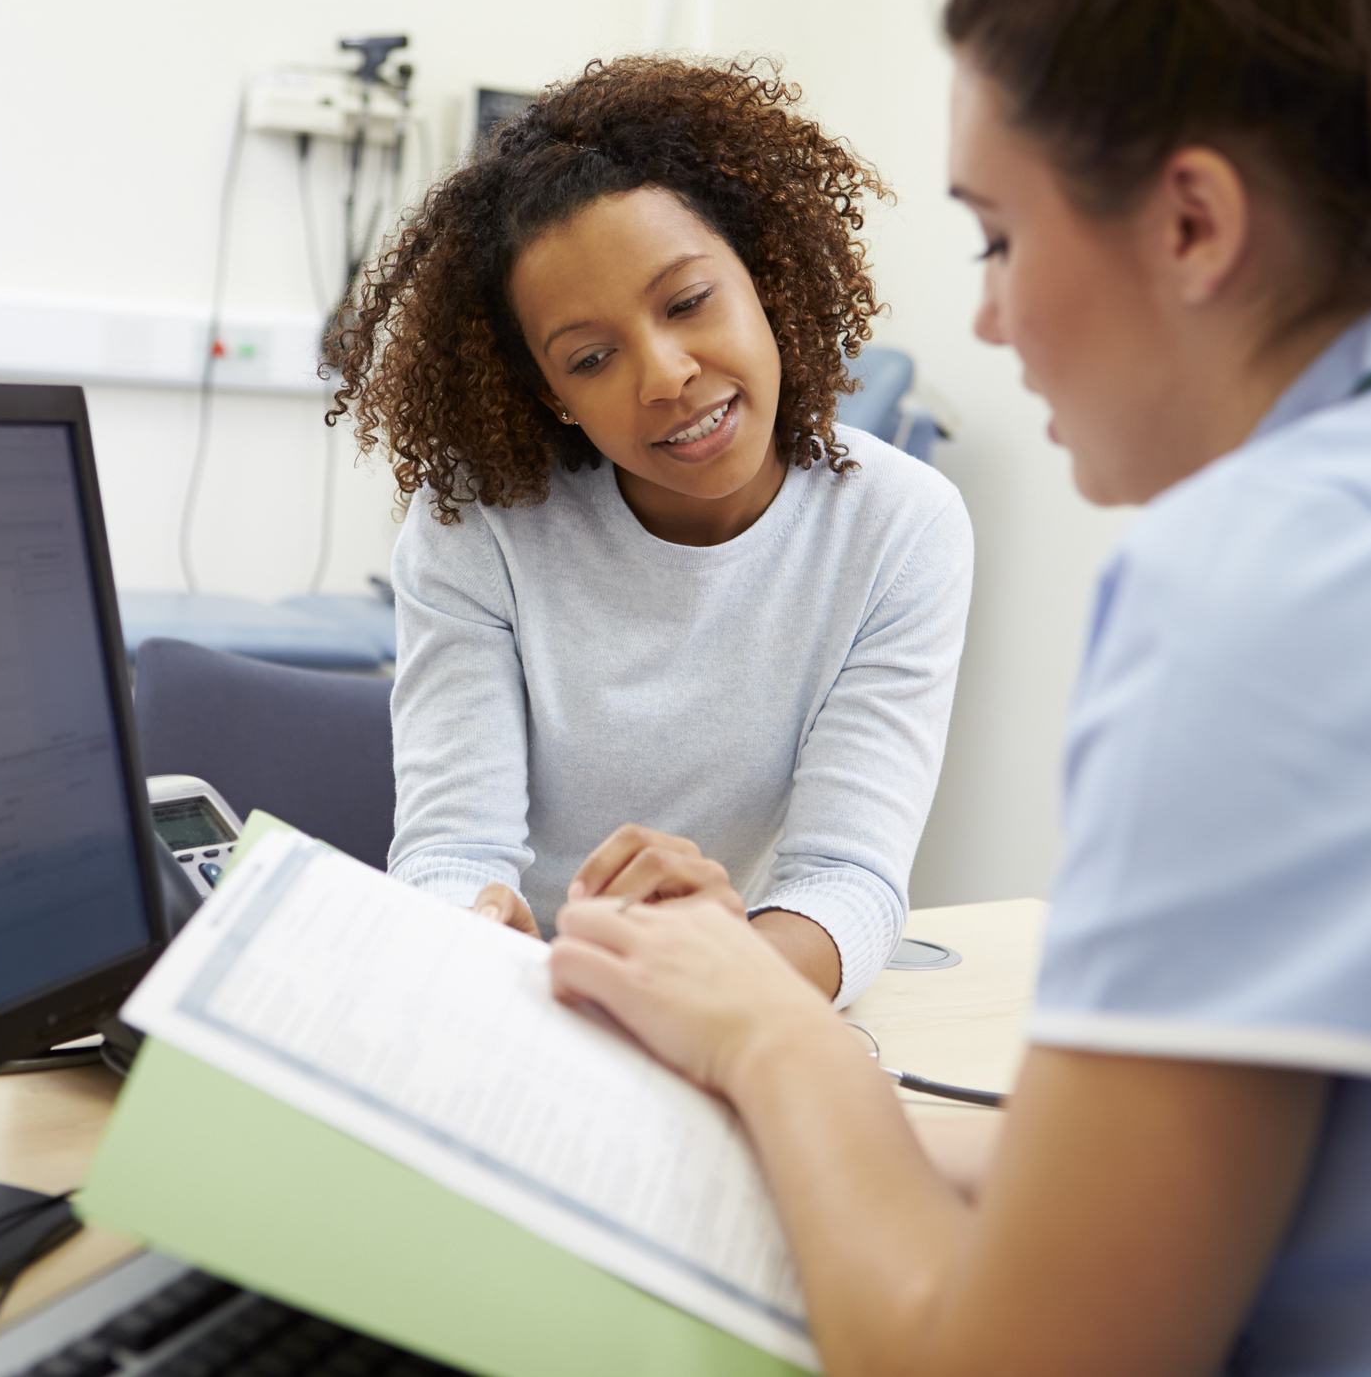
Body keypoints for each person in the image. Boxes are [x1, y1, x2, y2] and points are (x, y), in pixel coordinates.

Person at [545, 0, 1371, 1373]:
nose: (990, 321)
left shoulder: (1283, 578)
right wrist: (780, 1084)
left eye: (997, 238)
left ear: (1192, 222)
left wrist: (775, 1040)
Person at [328, 57, 973, 1004]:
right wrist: (467, 930)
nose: (664, 373)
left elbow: (848, 880)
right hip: (519, 1007)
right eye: (592, 357)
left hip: (727, 995)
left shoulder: (899, 527)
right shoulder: (478, 521)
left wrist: (719, 975)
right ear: (552, 396)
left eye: (686, 302)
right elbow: (449, 848)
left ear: (761, 273)